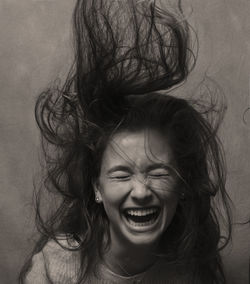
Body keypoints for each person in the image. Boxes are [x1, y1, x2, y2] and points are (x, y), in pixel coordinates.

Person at [19, 0, 231, 283]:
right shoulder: (54, 269)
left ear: (182, 186)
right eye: (121, 174)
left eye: (158, 173)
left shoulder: (191, 272)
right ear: (97, 188)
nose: (141, 191)